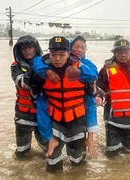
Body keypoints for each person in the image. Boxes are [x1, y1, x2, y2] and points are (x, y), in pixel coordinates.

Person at [30, 36, 96, 172]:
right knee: (53, 166)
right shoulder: (43, 74)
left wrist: (90, 137)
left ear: (68, 54)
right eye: (53, 55)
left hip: (77, 124)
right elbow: (42, 109)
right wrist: (48, 137)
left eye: (62, 54)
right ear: (49, 54)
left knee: (79, 166)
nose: (57, 59)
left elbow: (94, 76)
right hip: (55, 125)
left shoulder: (82, 70)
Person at [10, 35, 46, 158]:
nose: (27, 50)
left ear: (35, 48)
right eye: (24, 48)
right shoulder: (15, 66)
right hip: (22, 114)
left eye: (30, 47)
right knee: (21, 151)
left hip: (42, 114)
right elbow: (22, 83)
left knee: (47, 150)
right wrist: (35, 70)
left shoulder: (45, 63)